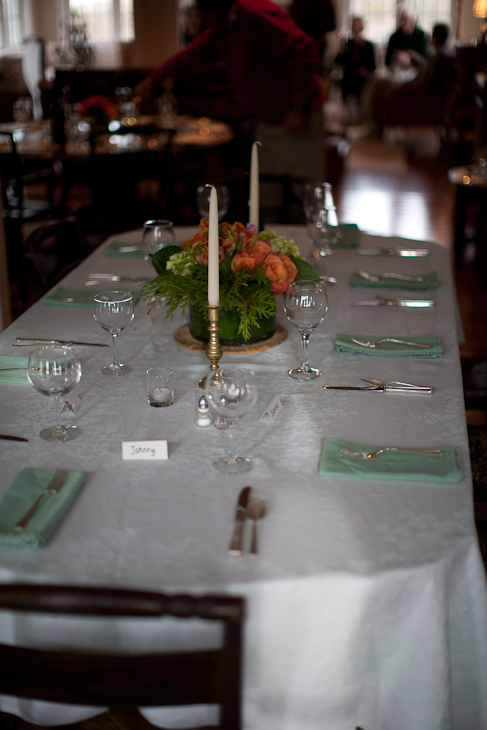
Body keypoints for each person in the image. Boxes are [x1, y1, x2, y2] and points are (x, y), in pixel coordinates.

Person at [135, 0, 325, 182]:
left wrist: (298, 106)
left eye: (200, 9)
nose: (199, 17)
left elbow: (304, 49)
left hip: (295, 120)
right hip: (267, 123)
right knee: (268, 196)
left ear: (214, 9)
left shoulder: (254, 13)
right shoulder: (222, 29)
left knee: (301, 191)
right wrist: (153, 79)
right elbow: (191, 56)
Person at [361, 23, 455, 127]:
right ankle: (371, 117)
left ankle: (366, 114)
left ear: (435, 38)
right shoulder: (444, 53)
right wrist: (416, 59)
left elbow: (425, 78)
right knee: (379, 80)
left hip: (411, 86)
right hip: (412, 82)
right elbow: (427, 70)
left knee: (376, 78)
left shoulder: (440, 55)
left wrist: (403, 86)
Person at [335, 16, 376, 119]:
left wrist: (365, 71)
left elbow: (373, 66)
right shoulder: (347, 45)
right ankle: (350, 112)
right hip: (350, 76)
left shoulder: (369, 46)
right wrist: (340, 48)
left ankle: (361, 112)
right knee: (347, 79)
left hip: (363, 77)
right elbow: (339, 62)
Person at [384, 6, 429, 79]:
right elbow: (387, 61)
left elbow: (426, 60)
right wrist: (395, 56)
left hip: (416, 70)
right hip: (398, 70)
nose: (403, 23)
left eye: (406, 20)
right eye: (401, 19)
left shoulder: (421, 36)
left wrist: (413, 57)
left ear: (413, 21)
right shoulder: (394, 37)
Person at [289, 0, 336, 66]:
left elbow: (291, 19)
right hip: (318, 41)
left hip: (301, 40)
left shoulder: (298, 2)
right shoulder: (326, 1)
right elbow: (332, 25)